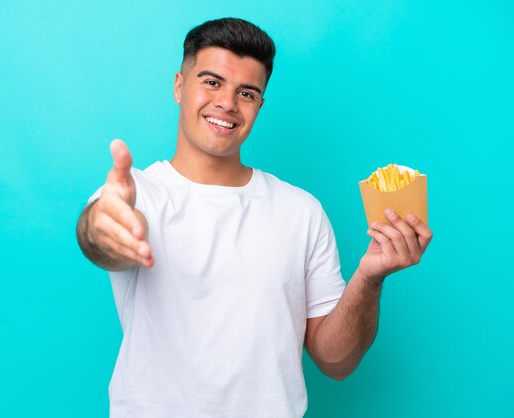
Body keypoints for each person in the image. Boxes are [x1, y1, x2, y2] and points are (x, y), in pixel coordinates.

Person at [76, 17, 433, 418]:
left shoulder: (301, 211)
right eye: (211, 82)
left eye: (246, 92)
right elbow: (101, 237)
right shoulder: (135, 194)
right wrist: (104, 226)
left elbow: (336, 363)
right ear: (179, 86)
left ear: (259, 105)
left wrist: (370, 277)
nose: (227, 103)